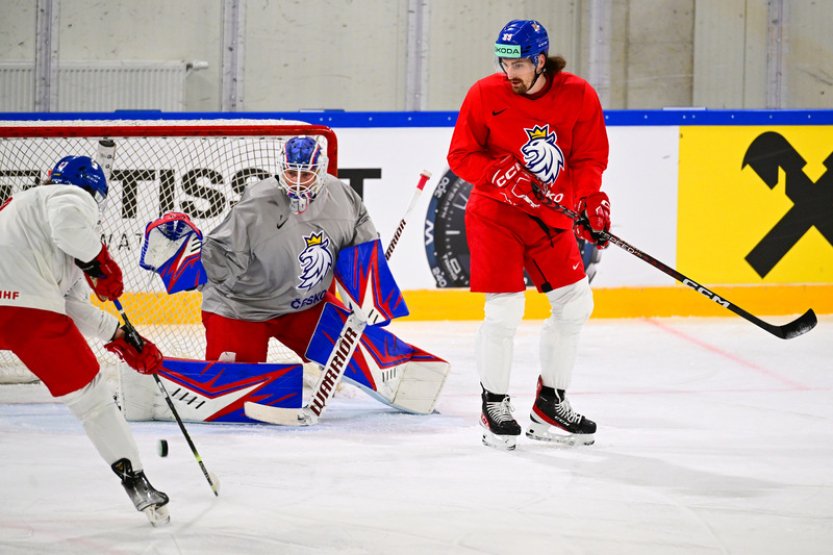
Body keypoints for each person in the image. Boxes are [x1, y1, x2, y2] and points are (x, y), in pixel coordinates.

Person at [447, 19, 610, 450]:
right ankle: (494, 403)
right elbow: (461, 155)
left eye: (518, 63)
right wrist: (498, 173)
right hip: (496, 215)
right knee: (504, 310)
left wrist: (588, 200)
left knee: (575, 303)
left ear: (541, 60)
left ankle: (549, 404)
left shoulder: (578, 95)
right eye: (504, 62)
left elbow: (591, 157)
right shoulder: (485, 94)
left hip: (549, 218)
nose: (509, 72)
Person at [0, 155, 170, 526]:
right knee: (93, 401)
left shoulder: (24, 216)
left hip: (25, 307)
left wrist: (120, 336)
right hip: (30, 316)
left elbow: (72, 303)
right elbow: (69, 225)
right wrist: (99, 262)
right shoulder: (67, 197)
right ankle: (136, 482)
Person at [200, 135, 379, 363]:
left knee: (362, 358)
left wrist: (371, 293)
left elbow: (361, 245)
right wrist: (193, 267)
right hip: (243, 308)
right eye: (291, 173)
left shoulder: (342, 196)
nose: (297, 183)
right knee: (236, 388)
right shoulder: (256, 203)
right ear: (281, 169)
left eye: (305, 175)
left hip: (305, 306)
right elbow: (222, 256)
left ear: (320, 172)